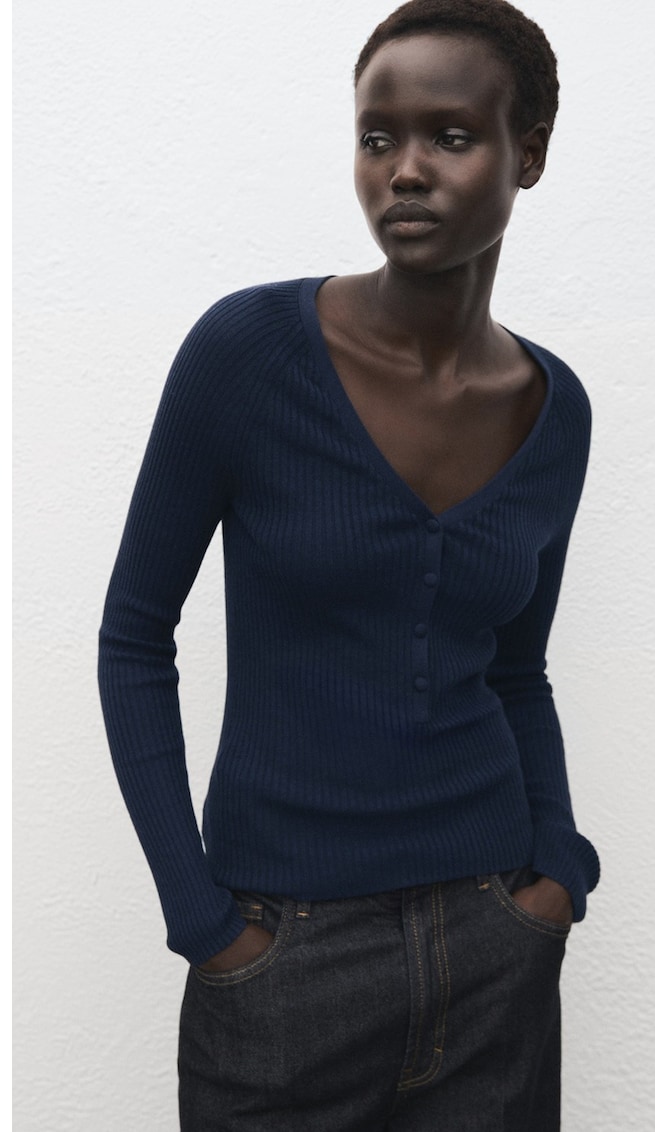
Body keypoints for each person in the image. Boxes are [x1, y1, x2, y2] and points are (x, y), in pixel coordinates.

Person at [98, 1, 600, 1127]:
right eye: (379, 137)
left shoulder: (552, 407)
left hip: (493, 943)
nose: (405, 170)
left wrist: (557, 873)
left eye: (450, 137)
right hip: (284, 957)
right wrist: (203, 922)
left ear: (528, 154)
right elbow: (133, 636)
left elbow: (518, 671)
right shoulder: (247, 353)